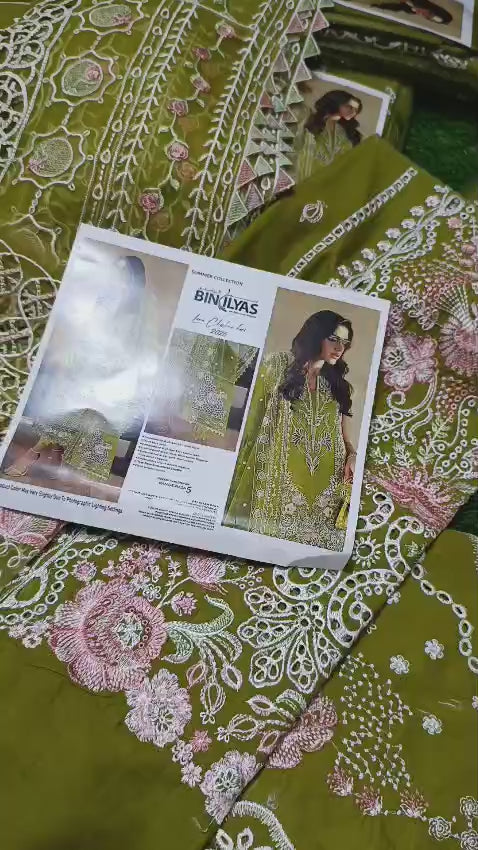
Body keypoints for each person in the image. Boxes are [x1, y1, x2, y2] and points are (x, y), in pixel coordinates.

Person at [223, 310, 357, 551]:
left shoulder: (339, 385)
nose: (340, 348)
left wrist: (353, 455)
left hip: (331, 487)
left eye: (345, 343)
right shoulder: (277, 366)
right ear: (316, 335)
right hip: (282, 482)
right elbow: (253, 426)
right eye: (334, 339)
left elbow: (342, 435)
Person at [295, 89, 363, 180]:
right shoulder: (310, 119)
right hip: (300, 170)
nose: (353, 112)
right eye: (349, 107)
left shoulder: (348, 135)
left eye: (356, 110)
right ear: (336, 103)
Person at [371, 0, 453, 24]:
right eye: (429, 13)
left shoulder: (410, 10)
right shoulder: (419, 2)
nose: (424, 15)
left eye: (427, 17)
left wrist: (379, 6)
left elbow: (396, 7)